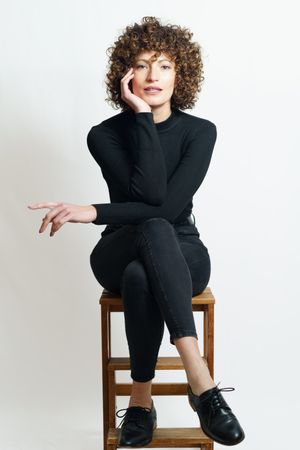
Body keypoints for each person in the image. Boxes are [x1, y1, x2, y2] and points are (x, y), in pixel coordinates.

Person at [28, 16, 245, 448]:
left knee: (143, 270)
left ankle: (140, 401)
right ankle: (201, 382)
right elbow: (147, 198)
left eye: (164, 65)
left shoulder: (200, 132)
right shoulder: (105, 135)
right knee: (147, 229)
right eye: (143, 65)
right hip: (120, 247)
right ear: (125, 75)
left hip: (182, 250)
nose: (152, 76)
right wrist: (142, 117)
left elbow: (165, 205)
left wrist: (92, 211)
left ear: (180, 73)